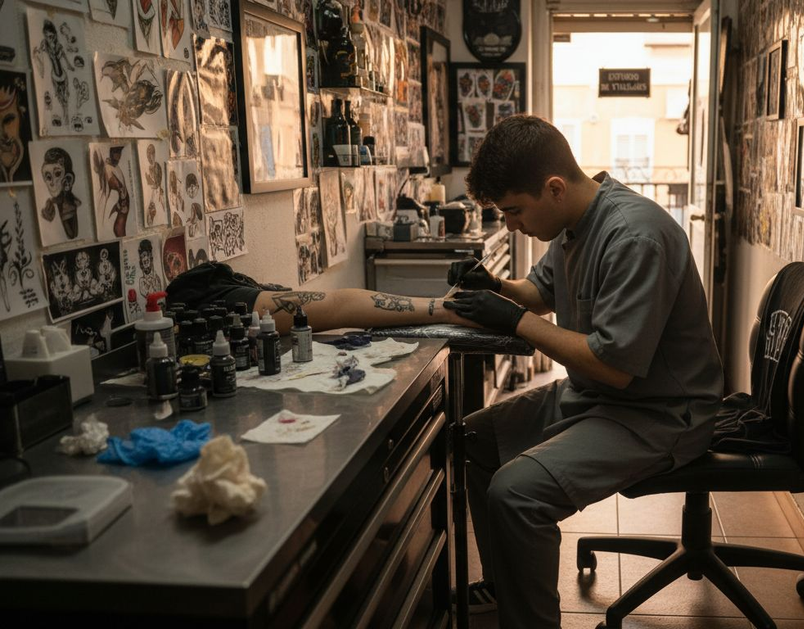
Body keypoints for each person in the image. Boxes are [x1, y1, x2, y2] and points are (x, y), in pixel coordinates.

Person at [442, 115, 723, 628]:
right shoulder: (573, 224)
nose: (511, 225)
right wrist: (495, 286)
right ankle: (507, 587)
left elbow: (613, 368)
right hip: (598, 397)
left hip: (661, 412)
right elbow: (538, 293)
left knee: (517, 491)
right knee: (474, 439)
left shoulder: (635, 236)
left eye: (514, 211)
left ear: (554, 188)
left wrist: (515, 320)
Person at [165, 261, 470, 334]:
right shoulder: (211, 298)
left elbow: (340, 306)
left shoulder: (219, 293)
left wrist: (445, 308)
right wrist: (445, 309)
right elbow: (340, 306)